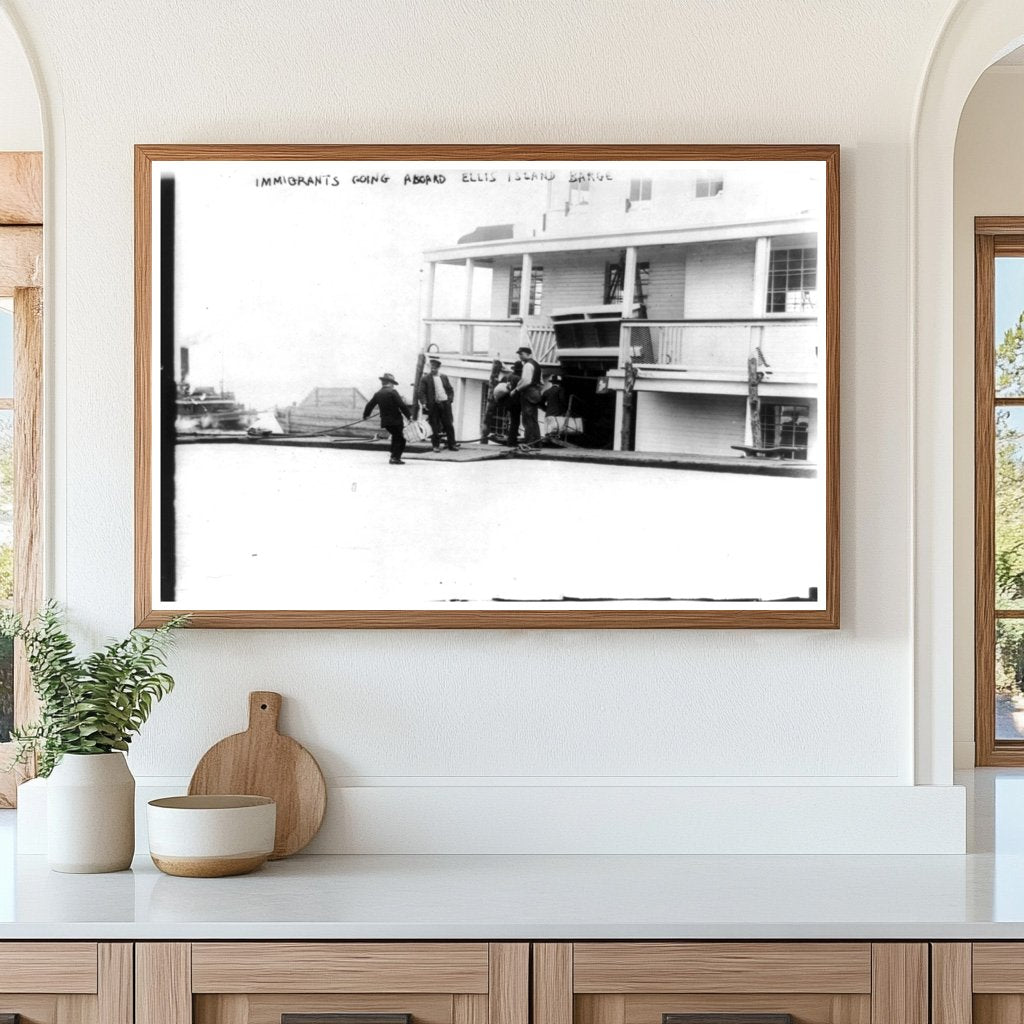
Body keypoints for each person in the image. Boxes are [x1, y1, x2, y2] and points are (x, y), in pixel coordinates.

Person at [363, 372, 412, 465]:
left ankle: (393, 455)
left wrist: (366, 415)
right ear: (390, 383)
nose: (393, 386)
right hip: (396, 420)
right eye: (393, 384)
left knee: (395, 436)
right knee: (401, 438)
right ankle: (395, 457)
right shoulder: (392, 392)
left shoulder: (378, 393)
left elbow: (370, 405)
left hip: (386, 422)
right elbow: (401, 405)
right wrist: (409, 416)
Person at [416, 356, 460, 452]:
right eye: (431, 368)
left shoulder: (443, 377)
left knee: (448, 424)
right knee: (434, 426)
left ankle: (452, 444)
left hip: (445, 404)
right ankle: (435, 446)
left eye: (434, 368)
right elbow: (421, 392)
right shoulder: (425, 378)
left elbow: (450, 390)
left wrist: (449, 400)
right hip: (433, 406)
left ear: (438, 368)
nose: (433, 370)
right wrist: (424, 403)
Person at [511, 345, 543, 448]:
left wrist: (516, 390)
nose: (520, 356)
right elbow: (541, 382)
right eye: (519, 354)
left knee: (527, 419)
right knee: (534, 419)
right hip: (536, 392)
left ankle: (529, 443)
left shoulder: (527, 365)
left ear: (528, 354)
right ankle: (537, 443)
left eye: (521, 354)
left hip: (528, 393)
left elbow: (526, 381)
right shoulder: (536, 364)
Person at [542, 373, 569, 440]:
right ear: (559, 383)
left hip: (548, 414)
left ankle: (549, 438)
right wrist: (565, 409)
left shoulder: (547, 391)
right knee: (558, 428)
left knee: (550, 429)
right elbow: (562, 400)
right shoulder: (560, 390)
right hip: (558, 413)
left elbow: (540, 403)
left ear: (552, 383)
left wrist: (546, 409)